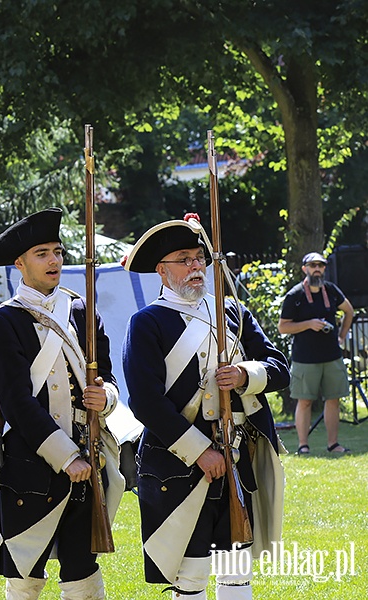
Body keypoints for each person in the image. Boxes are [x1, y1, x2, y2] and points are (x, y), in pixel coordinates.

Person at [122, 214, 289, 600]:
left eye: (199, 257)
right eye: (184, 259)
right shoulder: (147, 323)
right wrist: (199, 451)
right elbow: (145, 400)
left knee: (236, 574)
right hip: (178, 465)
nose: (196, 266)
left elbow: (279, 367)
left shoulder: (231, 312)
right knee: (191, 577)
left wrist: (246, 375)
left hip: (236, 460)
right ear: (162, 271)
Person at [0, 208, 124, 600]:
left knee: (83, 569)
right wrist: (65, 457)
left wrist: (106, 397)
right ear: (20, 263)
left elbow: (108, 378)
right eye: (42, 253)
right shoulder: (3, 321)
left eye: (57, 251)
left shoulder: (80, 309)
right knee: (26, 571)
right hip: (30, 460)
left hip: (87, 450)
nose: (54, 260)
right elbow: (17, 402)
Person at [278, 251, 355, 454]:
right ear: (305, 269)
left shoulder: (331, 290)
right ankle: (303, 446)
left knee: (333, 399)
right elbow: (283, 327)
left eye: (321, 265)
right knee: (304, 402)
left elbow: (349, 310)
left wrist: (342, 335)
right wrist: (309, 324)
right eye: (313, 266)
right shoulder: (295, 295)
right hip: (305, 358)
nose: (317, 269)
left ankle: (333, 444)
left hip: (332, 356)